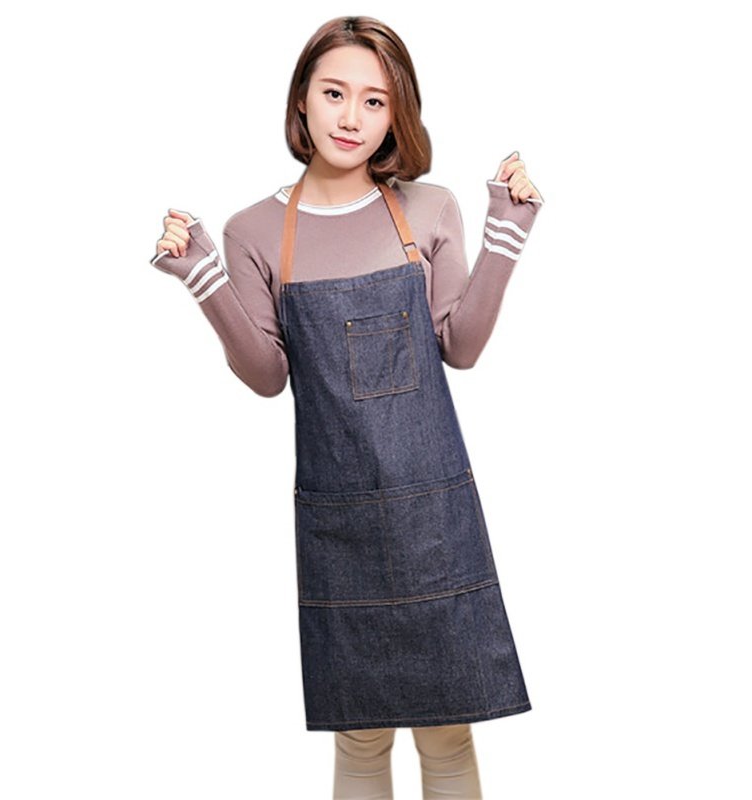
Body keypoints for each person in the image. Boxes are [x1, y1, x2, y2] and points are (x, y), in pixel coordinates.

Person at [150, 15, 543, 800]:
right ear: (302, 99)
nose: (351, 117)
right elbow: (267, 374)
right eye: (334, 93)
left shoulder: (428, 209)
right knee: (360, 737)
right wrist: (203, 277)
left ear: (397, 115)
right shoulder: (255, 230)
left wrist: (508, 231)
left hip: (434, 517)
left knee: (448, 730)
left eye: (374, 100)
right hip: (340, 521)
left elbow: (461, 347)